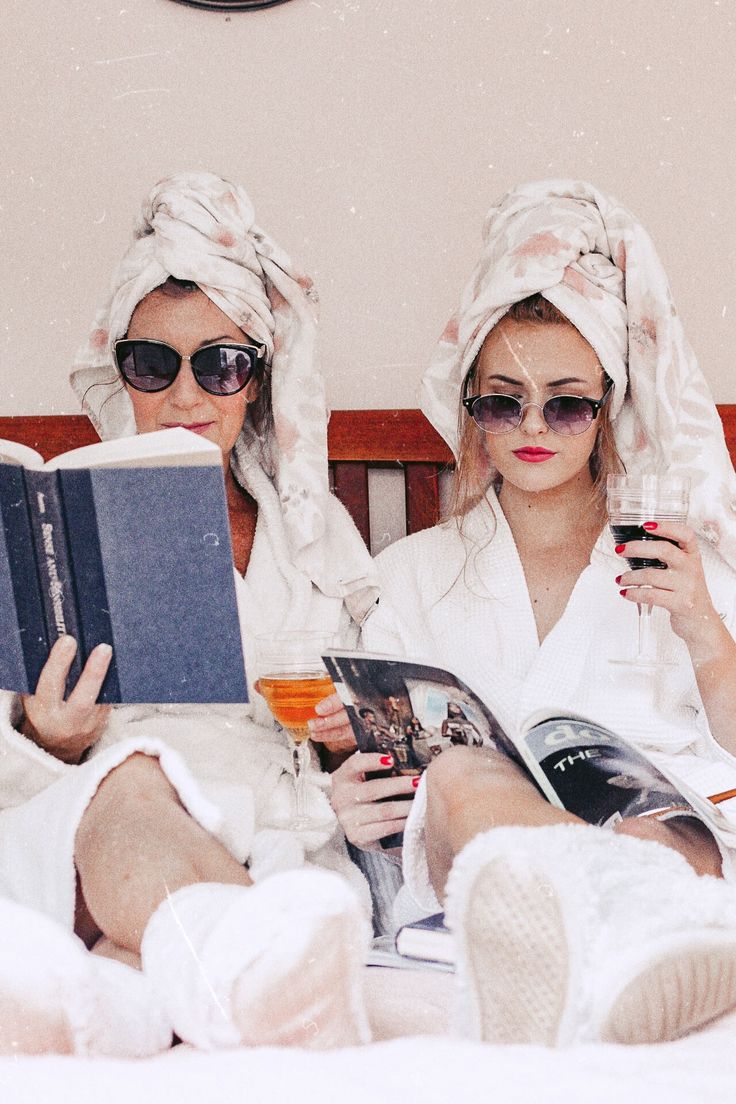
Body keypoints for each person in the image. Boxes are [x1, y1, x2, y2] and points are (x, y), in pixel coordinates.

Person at [321, 179, 736, 1046]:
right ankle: (633, 953)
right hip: (488, 850)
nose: (533, 425)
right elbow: (398, 791)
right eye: (503, 400)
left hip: (663, 836)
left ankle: (597, 953)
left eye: (567, 401)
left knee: (673, 836)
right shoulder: (408, 576)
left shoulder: (684, 556)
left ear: (609, 405)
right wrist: (355, 802)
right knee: (465, 780)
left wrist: (702, 626)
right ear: (470, 411)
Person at [0, 171, 379, 1055]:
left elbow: (378, 718)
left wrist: (339, 731)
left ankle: (128, 1004)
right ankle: (248, 977)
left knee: (161, 917)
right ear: (120, 369)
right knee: (133, 774)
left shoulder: (317, 537)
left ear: (256, 379)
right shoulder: (58, 523)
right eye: (152, 363)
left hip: (275, 826)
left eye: (221, 363)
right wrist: (50, 732)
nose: (185, 394)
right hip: (105, 817)